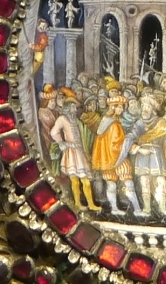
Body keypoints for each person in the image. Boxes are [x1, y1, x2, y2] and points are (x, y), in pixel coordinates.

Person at [91, 84, 141, 215]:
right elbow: (117, 145)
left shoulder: (105, 121)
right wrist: (132, 146)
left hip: (108, 160)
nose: (122, 109)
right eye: (120, 107)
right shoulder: (114, 125)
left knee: (111, 184)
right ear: (113, 107)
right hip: (117, 158)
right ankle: (137, 209)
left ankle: (114, 208)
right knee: (128, 183)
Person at [50, 90, 94, 208]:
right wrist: (61, 143)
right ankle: (78, 203)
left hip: (80, 152)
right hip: (71, 152)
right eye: (73, 106)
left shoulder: (77, 120)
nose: (75, 109)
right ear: (68, 107)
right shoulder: (62, 119)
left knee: (85, 180)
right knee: (74, 179)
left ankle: (91, 204)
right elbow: (54, 132)